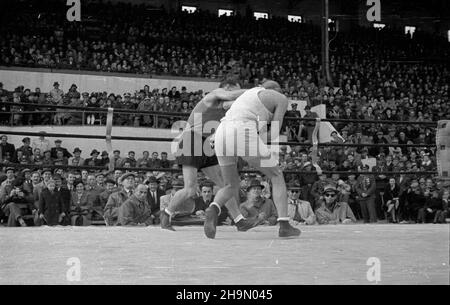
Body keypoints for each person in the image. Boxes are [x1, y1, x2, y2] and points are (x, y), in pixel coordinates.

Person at [160, 76, 257, 233]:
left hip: (207, 144)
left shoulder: (227, 107)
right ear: (227, 88)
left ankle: (239, 221)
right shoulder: (214, 94)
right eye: (236, 89)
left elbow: (235, 104)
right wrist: (255, 91)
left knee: (225, 186)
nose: (238, 93)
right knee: (190, 189)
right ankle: (166, 214)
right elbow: (233, 97)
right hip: (191, 140)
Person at [211, 80, 301, 238]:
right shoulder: (280, 98)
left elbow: (226, 105)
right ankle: (284, 225)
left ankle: (213, 208)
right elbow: (273, 133)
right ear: (276, 90)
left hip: (221, 131)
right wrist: (255, 142)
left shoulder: (248, 94)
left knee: (230, 184)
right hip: (242, 129)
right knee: (276, 175)